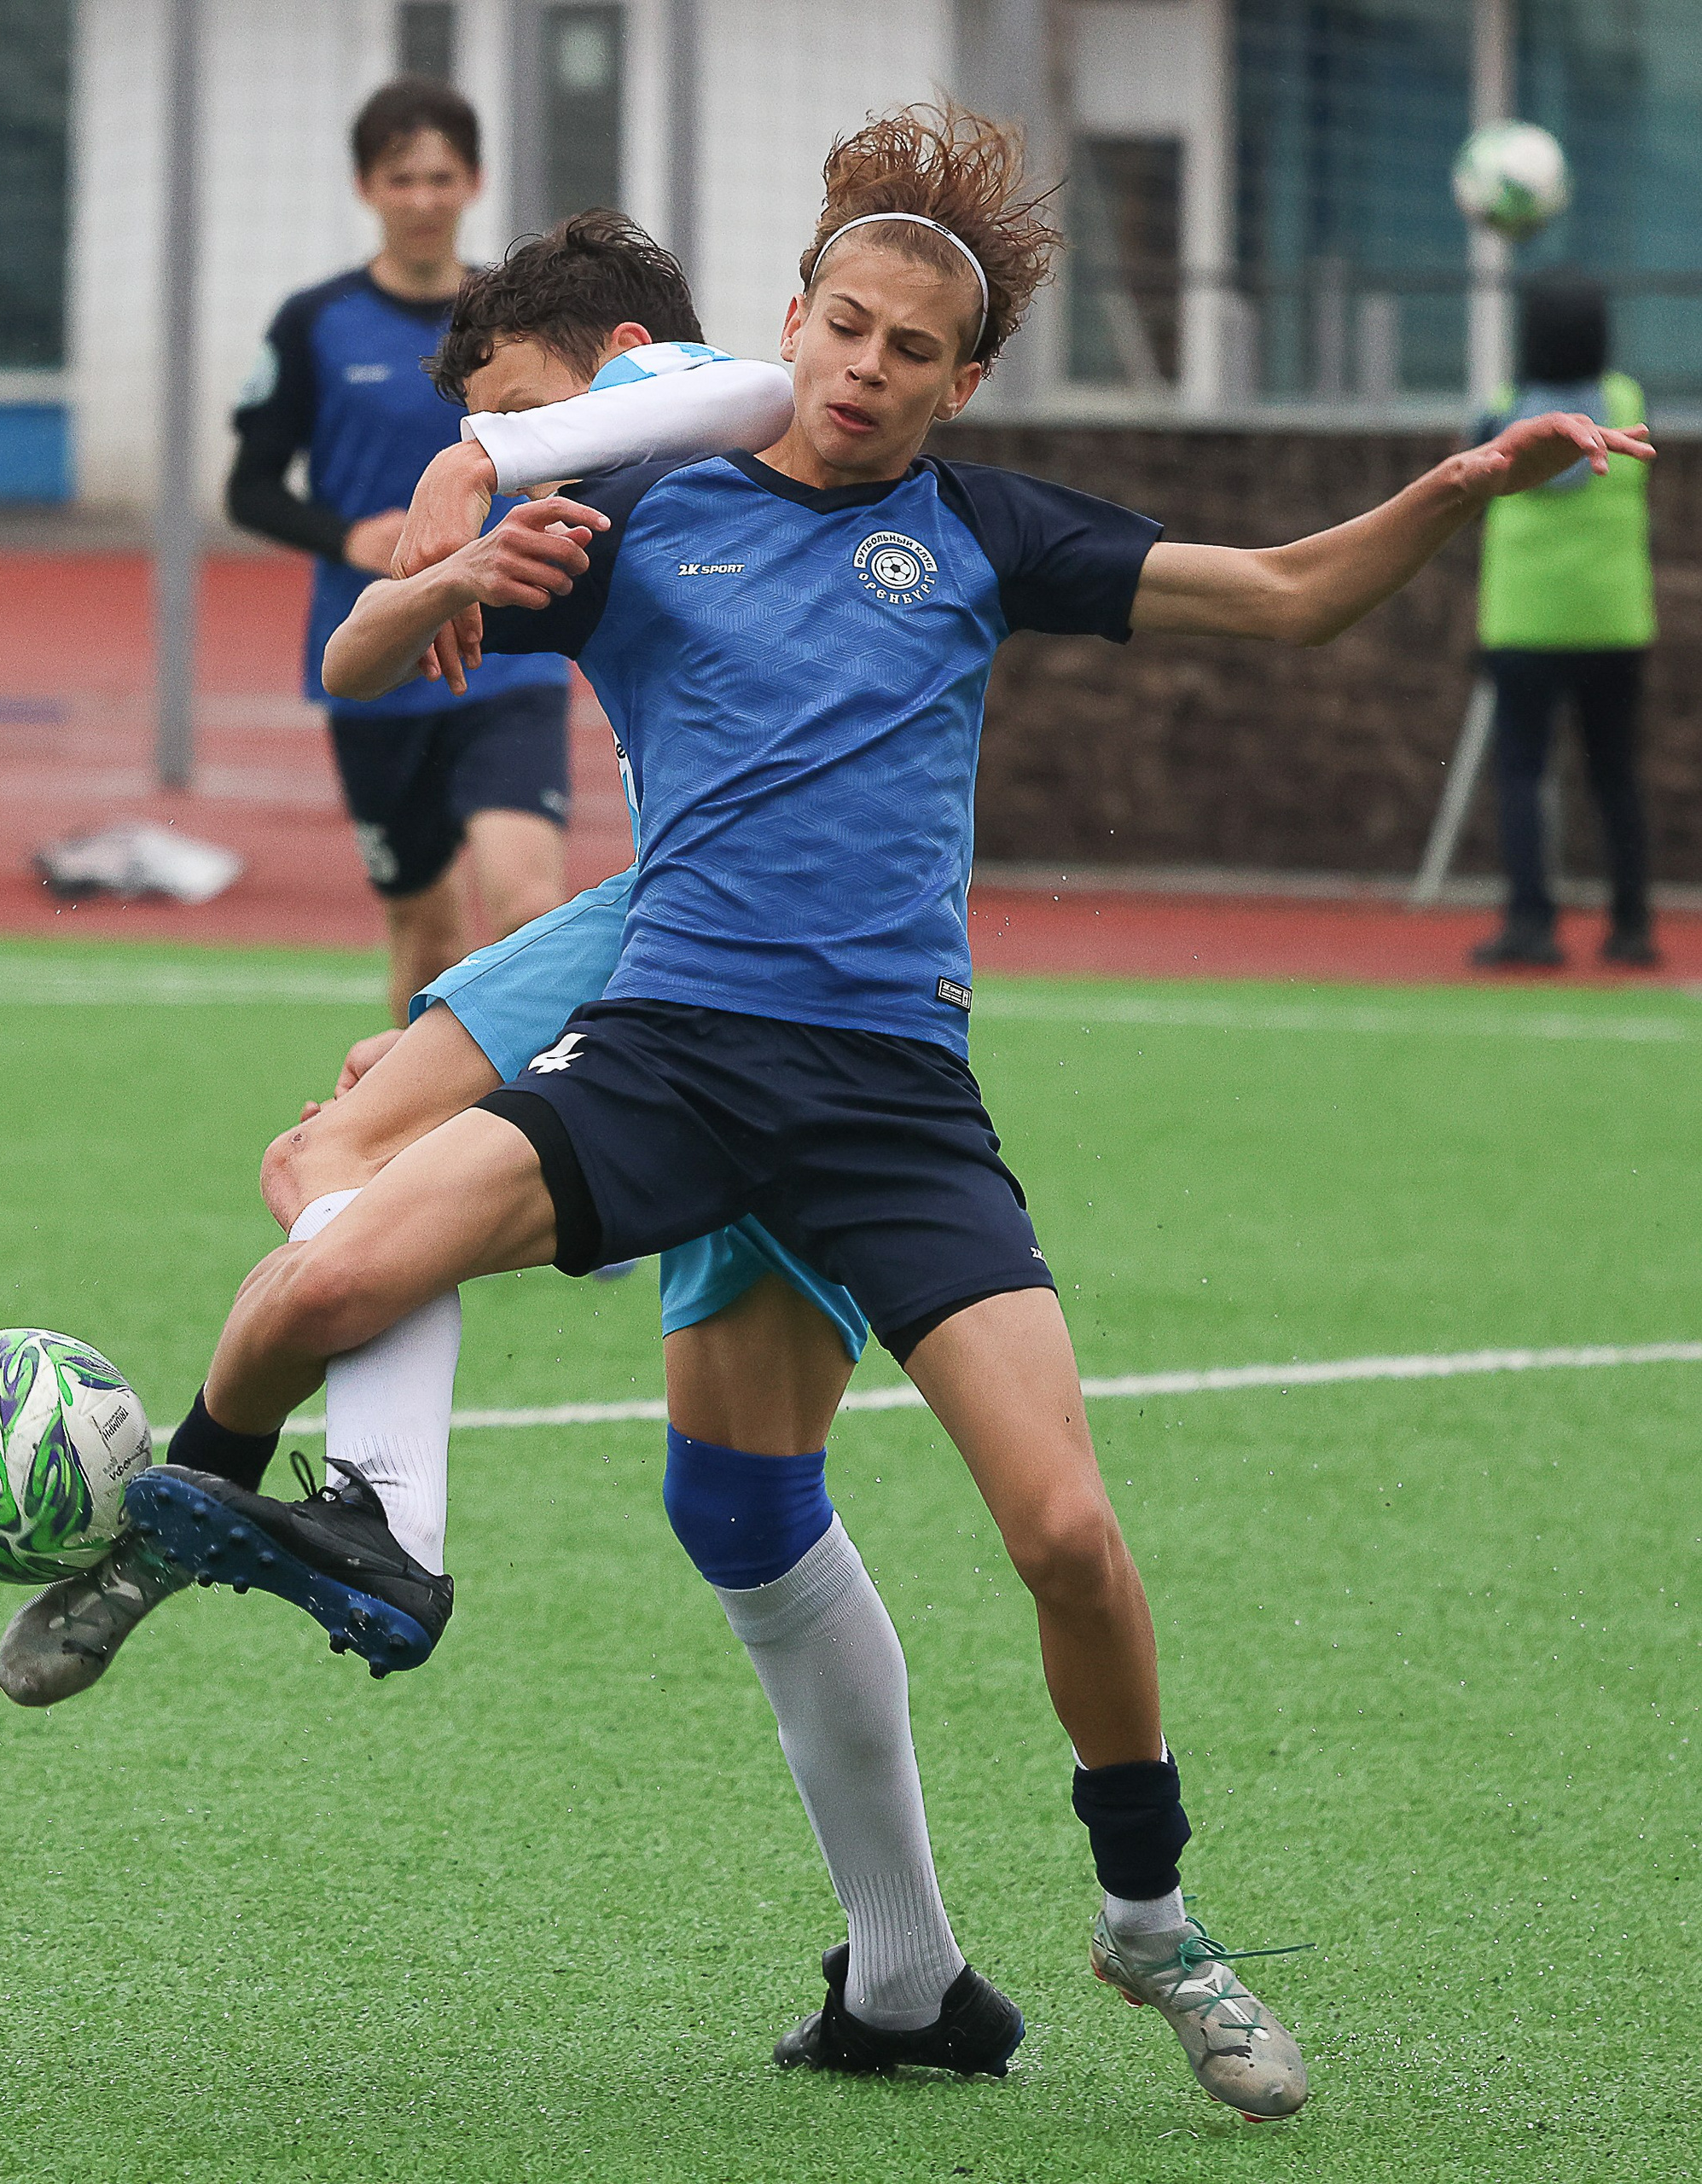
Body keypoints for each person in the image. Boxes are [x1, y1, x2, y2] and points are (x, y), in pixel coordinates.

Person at [155, 107, 1636, 2109]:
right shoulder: (648, 506)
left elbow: (1285, 598)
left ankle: (1142, 1924)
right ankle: (270, 1523)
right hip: (672, 1047)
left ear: (957, 381)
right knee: (534, 1354)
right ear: (788, 328)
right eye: (836, 328)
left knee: (1058, 1529)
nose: (862, 366)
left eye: (905, 348)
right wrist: (448, 549)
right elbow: (367, 636)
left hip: (881, 1107)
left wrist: (1457, 484)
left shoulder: (984, 533)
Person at [0, 218, 996, 2070]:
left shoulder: (694, 402)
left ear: (613, 355)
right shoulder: (666, 466)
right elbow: (382, 635)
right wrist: (453, 530)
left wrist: (494, 458)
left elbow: (716, 382)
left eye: (527, 397)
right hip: (668, 934)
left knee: (395, 1195)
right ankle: (904, 1975)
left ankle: (340, 1508)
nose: (526, 441)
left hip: (746, 973)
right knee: (363, 1170)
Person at [225, 78, 577, 1023]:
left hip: (509, 655)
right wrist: (350, 535)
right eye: (401, 178)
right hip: (378, 660)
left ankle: (525, 1142)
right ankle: (410, 1146)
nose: (422, 198)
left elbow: (572, 452)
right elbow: (248, 487)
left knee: (528, 906)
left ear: (475, 182)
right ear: (366, 188)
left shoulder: (520, 323)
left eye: (440, 177)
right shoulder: (315, 324)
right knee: (425, 939)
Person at [1471, 274, 1658, 971]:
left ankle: (1531, 924)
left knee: (1523, 774)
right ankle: (1633, 927)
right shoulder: (1627, 401)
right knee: (1615, 776)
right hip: (1614, 621)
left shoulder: (1504, 412)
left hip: (1522, 623)